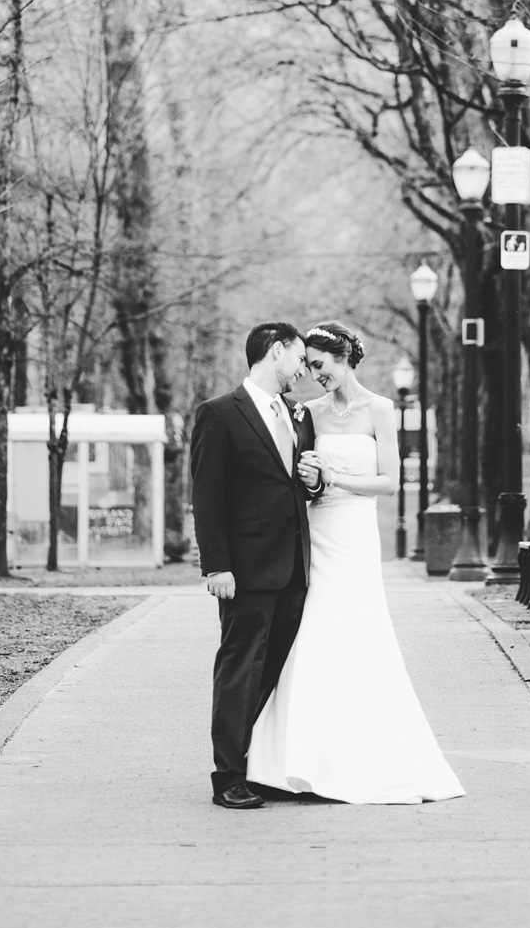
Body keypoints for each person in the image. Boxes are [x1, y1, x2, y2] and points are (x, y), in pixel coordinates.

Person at [247, 321, 464, 804]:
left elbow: (389, 482)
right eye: (306, 366)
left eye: (319, 365)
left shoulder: (381, 410)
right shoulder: (306, 413)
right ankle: (296, 760)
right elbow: (303, 479)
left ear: (343, 358)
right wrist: (311, 478)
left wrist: (337, 479)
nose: (312, 375)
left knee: (358, 633)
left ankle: (363, 755)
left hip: (356, 535)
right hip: (317, 533)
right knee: (313, 632)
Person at [191, 322, 324, 810]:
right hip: (244, 569)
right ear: (275, 351)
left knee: (271, 669)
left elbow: (297, 486)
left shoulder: (296, 414)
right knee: (239, 667)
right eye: (299, 357)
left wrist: (313, 482)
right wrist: (216, 567)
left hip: (293, 567)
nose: (303, 368)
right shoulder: (219, 414)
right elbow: (207, 497)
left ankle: (252, 763)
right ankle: (226, 775)